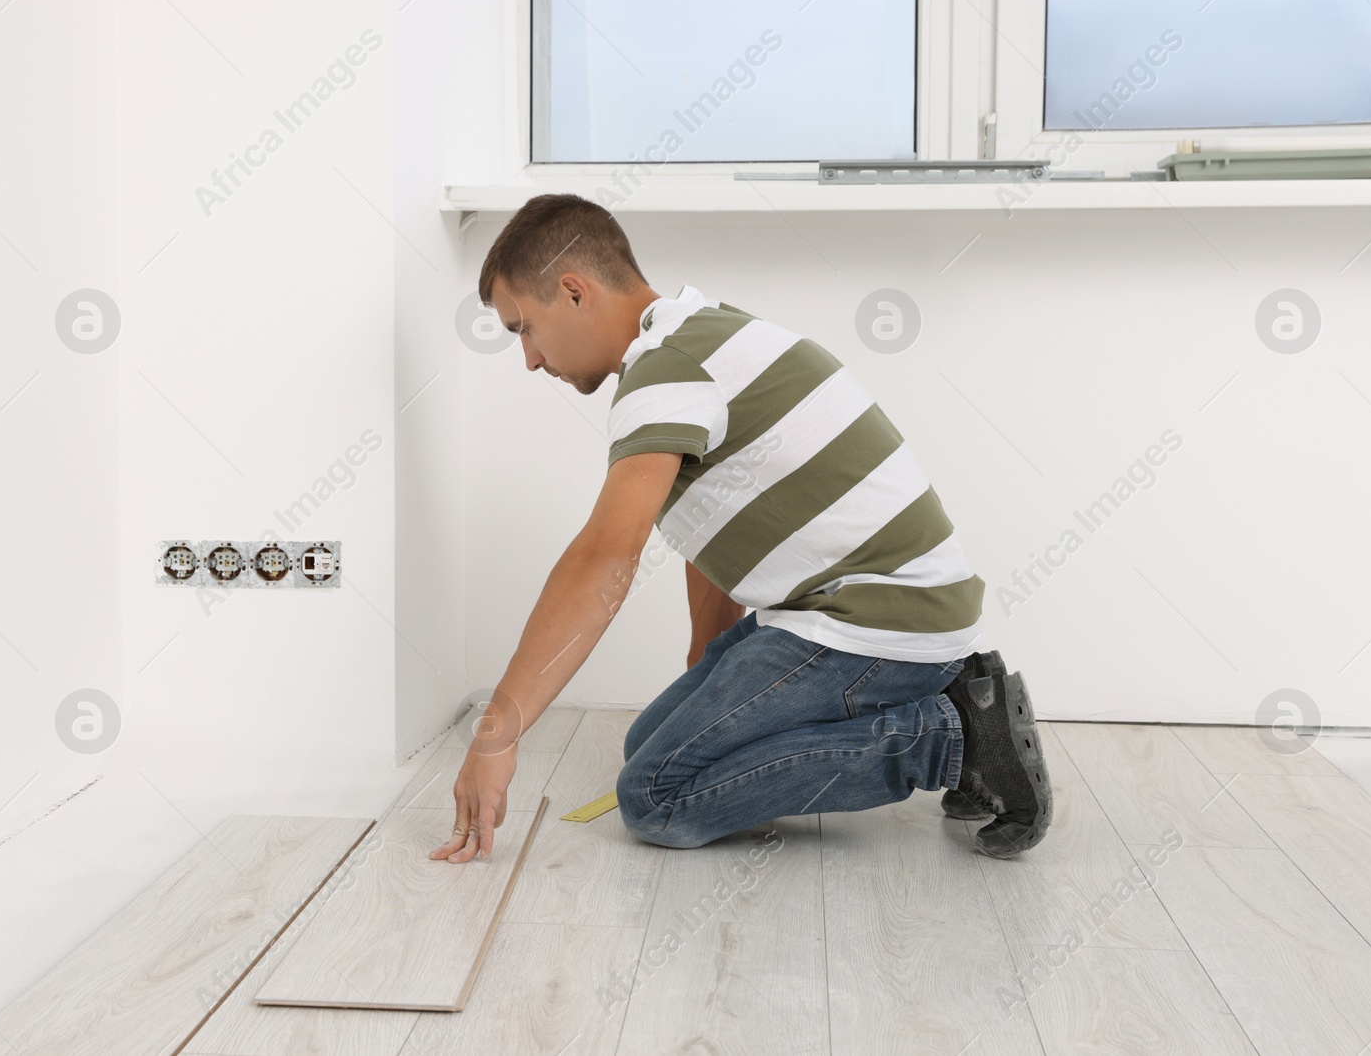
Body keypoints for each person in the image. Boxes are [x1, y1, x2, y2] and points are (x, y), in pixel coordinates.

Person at [430, 193, 1051, 866]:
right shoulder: (692, 334)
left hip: (875, 622)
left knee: (655, 796)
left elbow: (602, 562)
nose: (529, 358)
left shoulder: (663, 374)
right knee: (648, 744)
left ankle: (952, 737)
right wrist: (711, 656)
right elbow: (718, 510)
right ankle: (954, 686)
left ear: (573, 292)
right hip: (869, 609)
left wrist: (498, 734)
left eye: (524, 327)